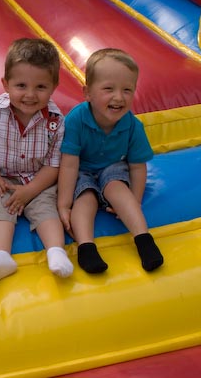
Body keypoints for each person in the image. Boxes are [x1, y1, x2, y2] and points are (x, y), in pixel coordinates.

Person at [0, 38, 74, 287]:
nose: (30, 95)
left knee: (46, 208)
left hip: (37, 179)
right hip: (2, 177)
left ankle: (56, 251)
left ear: (54, 87)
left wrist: (31, 190)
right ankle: (1, 255)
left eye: (40, 87)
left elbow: (54, 164)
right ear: (5, 84)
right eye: (21, 86)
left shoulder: (56, 121)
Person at [57, 48, 164, 274]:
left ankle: (144, 240)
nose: (119, 97)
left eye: (127, 90)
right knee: (85, 197)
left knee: (117, 188)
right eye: (108, 89)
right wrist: (64, 204)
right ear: (88, 93)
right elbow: (69, 163)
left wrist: (135, 199)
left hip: (112, 167)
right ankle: (86, 247)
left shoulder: (132, 125)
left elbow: (137, 166)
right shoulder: (76, 120)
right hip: (82, 169)